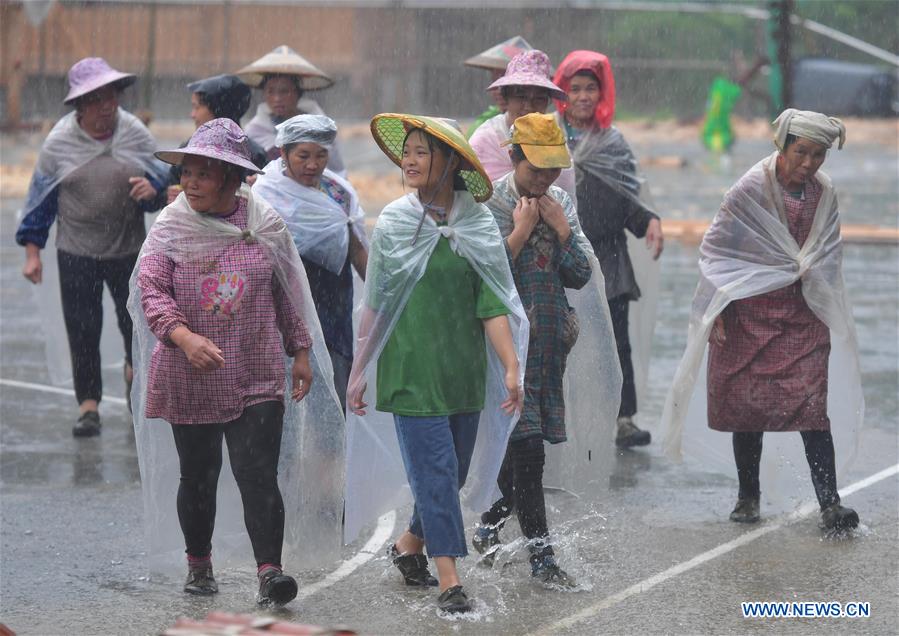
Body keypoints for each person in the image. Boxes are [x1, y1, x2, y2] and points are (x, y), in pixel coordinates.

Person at [132, 118, 344, 605]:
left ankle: (271, 572)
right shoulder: (171, 228)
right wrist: (184, 338)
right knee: (199, 472)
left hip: (255, 367)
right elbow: (153, 291)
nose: (191, 182)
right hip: (190, 371)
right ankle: (199, 564)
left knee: (257, 472)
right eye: (188, 172)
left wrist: (302, 351)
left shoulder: (264, 223)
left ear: (232, 178)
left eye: (204, 174)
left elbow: (286, 291)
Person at [344, 114, 527, 614]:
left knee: (454, 470)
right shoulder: (396, 225)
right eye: (409, 151)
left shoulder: (478, 224)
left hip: (462, 373)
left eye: (423, 151)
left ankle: (409, 545)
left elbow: (491, 303)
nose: (410, 159)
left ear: (451, 163)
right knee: (438, 473)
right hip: (410, 370)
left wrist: (511, 366)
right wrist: (359, 370)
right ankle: (450, 580)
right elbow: (375, 304)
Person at [661, 109, 862, 531]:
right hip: (749, 312)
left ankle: (830, 504)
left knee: (812, 407)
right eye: (801, 152)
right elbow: (717, 250)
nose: (809, 164)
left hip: (802, 314)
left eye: (818, 155)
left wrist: (815, 285)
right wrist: (716, 308)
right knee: (747, 407)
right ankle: (747, 497)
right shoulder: (750, 187)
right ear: (782, 146)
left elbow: (829, 249)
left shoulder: (824, 192)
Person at [473, 113, 594, 586]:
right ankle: (543, 558)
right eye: (535, 169)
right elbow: (482, 276)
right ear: (514, 156)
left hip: (547, 348)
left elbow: (580, 274)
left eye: (551, 170)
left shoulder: (559, 201)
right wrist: (520, 233)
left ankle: (490, 523)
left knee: (523, 451)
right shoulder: (489, 203)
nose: (544, 180)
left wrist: (561, 229)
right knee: (526, 453)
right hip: (502, 351)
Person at [15, 56, 166, 436]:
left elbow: (164, 185)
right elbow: (40, 200)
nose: (106, 107)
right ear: (79, 105)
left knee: (135, 323)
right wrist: (33, 252)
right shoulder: (59, 144)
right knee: (83, 329)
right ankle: (88, 406)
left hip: (128, 248)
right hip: (77, 249)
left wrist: (153, 191)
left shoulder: (134, 133)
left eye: (111, 97)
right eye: (96, 99)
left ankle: (136, 378)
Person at [553, 50, 664, 448]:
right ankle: (562, 418)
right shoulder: (549, 136)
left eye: (590, 88)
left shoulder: (612, 143)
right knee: (561, 338)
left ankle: (623, 417)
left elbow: (627, 195)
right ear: (562, 93)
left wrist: (648, 220)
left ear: (602, 94)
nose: (583, 96)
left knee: (616, 341)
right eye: (575, 88)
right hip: (560, 252)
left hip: (609, 255)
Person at [252, 114, 368, 411]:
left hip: (333, 305)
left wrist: (386, 298)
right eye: (303, 156)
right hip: (283, 308)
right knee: (282, 405)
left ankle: (330, 457)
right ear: (283, 153)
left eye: (321, 155)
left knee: (333, 396)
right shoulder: (265, 193)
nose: (313, 165)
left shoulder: (340, 194)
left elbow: (357, 251)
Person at [469, 50, 575, 198]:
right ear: (506, 97)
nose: (529, 106)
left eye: (539, 98)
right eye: (520, 96)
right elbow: (470, 205)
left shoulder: (555, 143)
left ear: (547, 102)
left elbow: (567, 206)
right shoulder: (484, 141)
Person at [236, 45, 346, 175]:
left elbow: (337, 170)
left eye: (284, 91)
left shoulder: (321, 128)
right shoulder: (255, 130)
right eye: (270, 91)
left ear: (297, 93)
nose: (277, 98)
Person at [166, 74, 268, 202]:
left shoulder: (254, 155)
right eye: (187, 173)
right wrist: (171, 195)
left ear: (218, 109)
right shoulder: (188, 148)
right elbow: (170, 186)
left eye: (197, 107)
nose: (192, 114)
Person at [463, 35, 533, 138]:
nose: (499, 90)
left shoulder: (543, 127)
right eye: (495, 81)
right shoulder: (482, 126)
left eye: (507, 84)